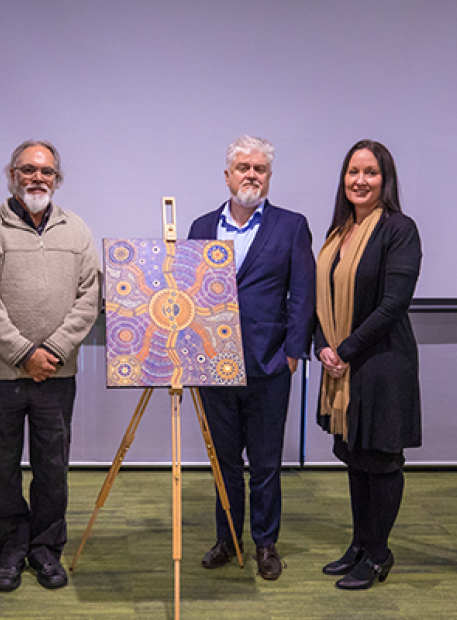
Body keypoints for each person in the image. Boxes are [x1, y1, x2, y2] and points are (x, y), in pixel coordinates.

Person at [0, 140, 101, 592]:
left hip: (57, 375)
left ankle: (45, 549)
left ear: (56, 179)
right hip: (2, 375)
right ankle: (9, 550)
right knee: (2, 467)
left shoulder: (77, 231)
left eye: (46, 171)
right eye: (28, 170)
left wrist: (54, 351)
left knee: (52, 467)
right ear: (12, 174)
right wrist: (24, 353)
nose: (37, 178)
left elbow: (89, 299)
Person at [188, 135, 315, 580]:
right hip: (214, 367)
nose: (251, 175)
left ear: (269, 177)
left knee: (265, 463)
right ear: (227, 176)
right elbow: (191, 296)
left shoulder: (291, 225)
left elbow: (302, 293)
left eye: (259, 168)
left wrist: (294, 354)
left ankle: (265, 543)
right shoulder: (201, 227)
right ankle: (227, 539)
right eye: (243, 167)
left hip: (268, 365)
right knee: (223, 462)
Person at [314, 139, 422, 590]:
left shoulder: (400, 229)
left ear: (385, 180)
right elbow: (323, 301)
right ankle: (360, 544)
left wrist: (346, 349)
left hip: (381, 362)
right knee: (355, 458)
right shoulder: (338, 232)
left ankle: (379, 553)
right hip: (342, 363)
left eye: (371, 173)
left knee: (381, 458)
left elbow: (394, 304)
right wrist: (324, 345)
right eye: (353, 172)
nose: (360, 180)